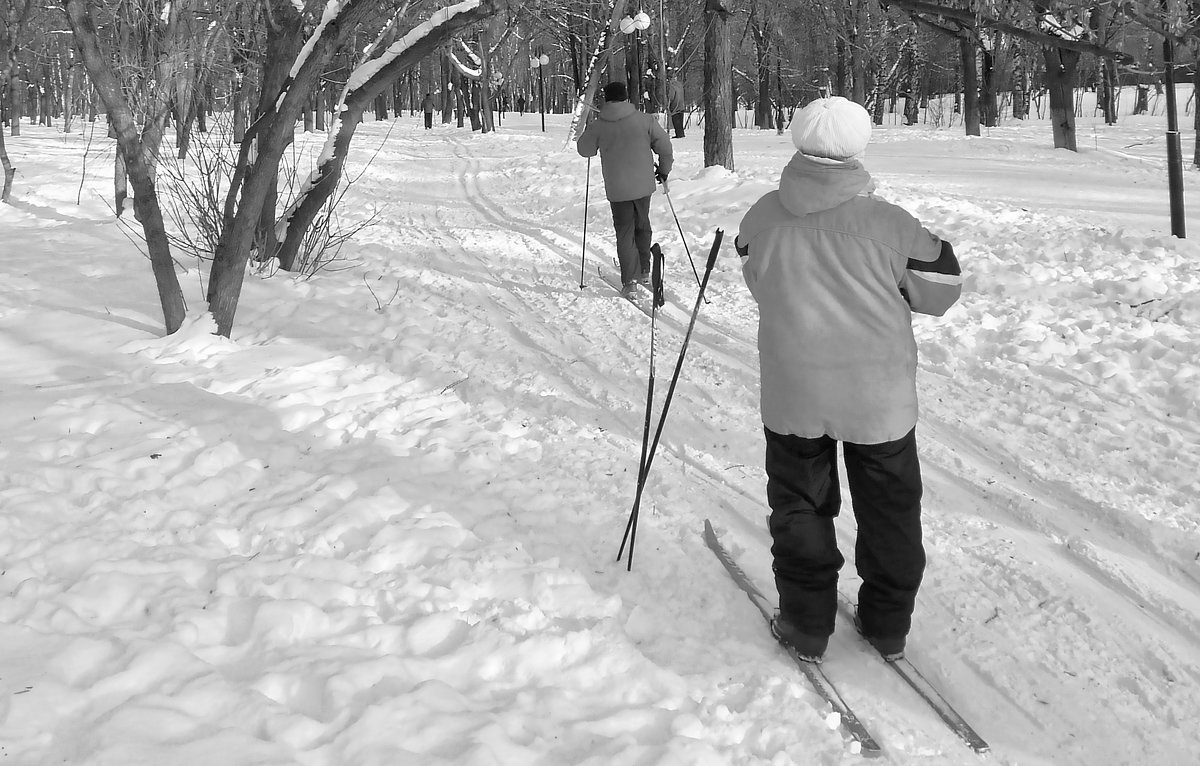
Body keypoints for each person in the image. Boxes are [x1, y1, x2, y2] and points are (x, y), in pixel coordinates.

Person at [734, 96, 962, 664]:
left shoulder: (761, 217)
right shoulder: (891, 226)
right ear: (859, 147)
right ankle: (886, 626)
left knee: (800, 508)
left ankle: (806, 625)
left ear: (797, 141)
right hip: (877, 400)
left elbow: (756, 277)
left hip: (795, 395)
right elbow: (943, 292)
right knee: (889, 512)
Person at [576, 81, 674, 298]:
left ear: (606, 98)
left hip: (618, 188)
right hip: (643, 185)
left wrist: (590, 126)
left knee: (625, 231)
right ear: (626, 97)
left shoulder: (599, 124)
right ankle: (645, 269)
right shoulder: (644, 120)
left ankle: (630, 281)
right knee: (642, 225)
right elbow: (665, 147)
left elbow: (584, 150)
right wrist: (664, 171)